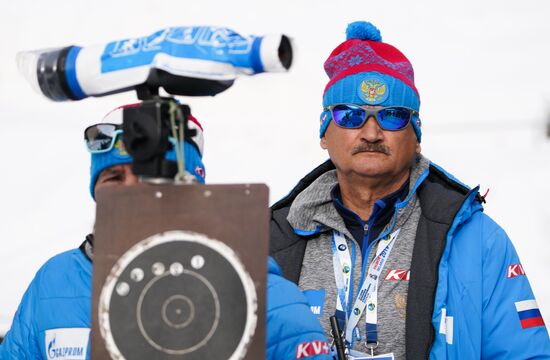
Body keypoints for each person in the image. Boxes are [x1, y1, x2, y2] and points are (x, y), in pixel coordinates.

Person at [270, 21, 550, 359]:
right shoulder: (272, 239)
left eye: (392, 116)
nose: (371, 132)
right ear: (324, 134)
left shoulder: (476, 241)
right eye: (350, 116)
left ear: (417, 137)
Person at [0, 104, 332, 359]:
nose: (130, 194)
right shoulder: (54, 280)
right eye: (113, 178)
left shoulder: (253, 287)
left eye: (149, 181)